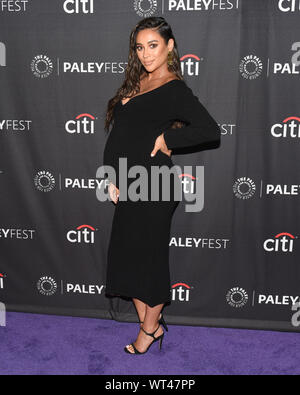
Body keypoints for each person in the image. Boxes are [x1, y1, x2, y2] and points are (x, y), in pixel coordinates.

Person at [103, 16, 221, 355]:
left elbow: (211, 130)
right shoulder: (138, 79)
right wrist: (111, 174)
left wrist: (169, 138)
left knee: (149, 263)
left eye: (152, 45)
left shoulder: (174, 88)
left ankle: (149, 331)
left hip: (155, 185)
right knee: (128, 260)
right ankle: (149, 325)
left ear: (169, 46)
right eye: (140, 47)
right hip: (128, 183)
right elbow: (120, 135)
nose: (145, 54)